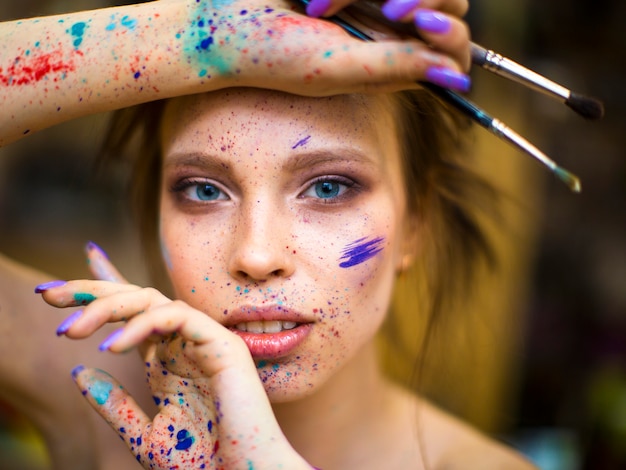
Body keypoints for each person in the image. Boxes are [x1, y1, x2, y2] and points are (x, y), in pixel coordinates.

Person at [1, 0, 536, 468]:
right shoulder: (98, 393)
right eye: (204, 190)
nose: (256, 255)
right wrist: (197, 39)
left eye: (328, 187)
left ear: (416, 220)